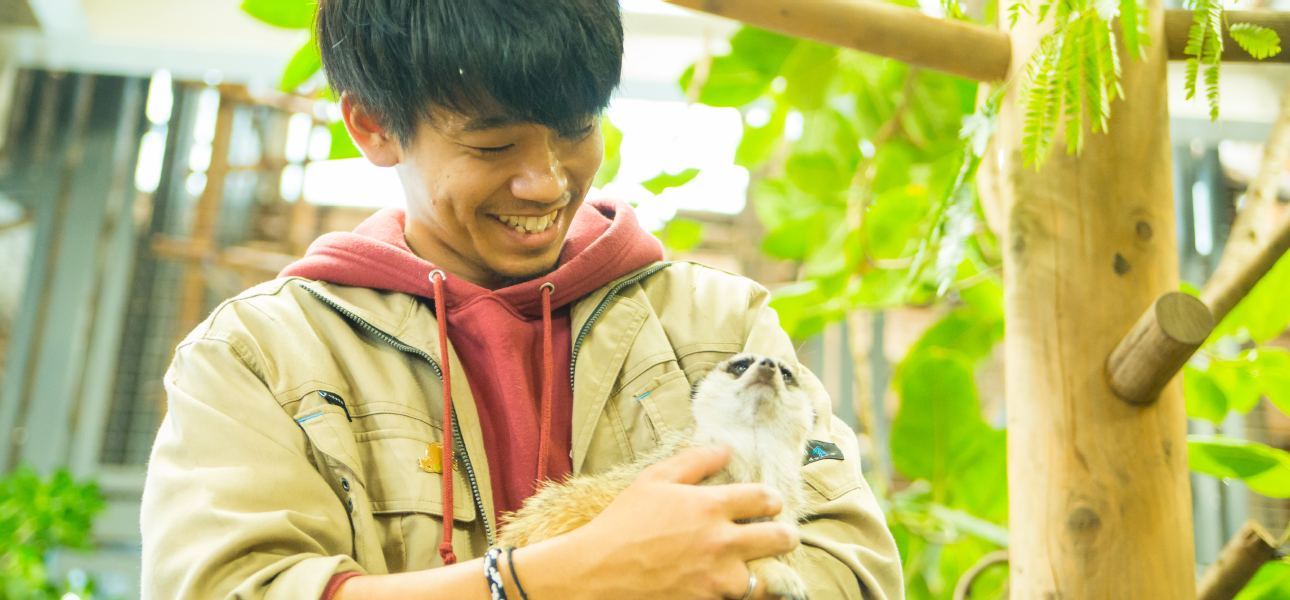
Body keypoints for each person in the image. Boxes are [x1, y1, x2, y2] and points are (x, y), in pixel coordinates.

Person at [139, 0, 903, 598]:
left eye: (575, 131)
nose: (547, 182)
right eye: (492, 147)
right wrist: (552, 582)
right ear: (373, 128)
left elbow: (852, 565)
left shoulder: (722, 325)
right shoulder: (256, 357)